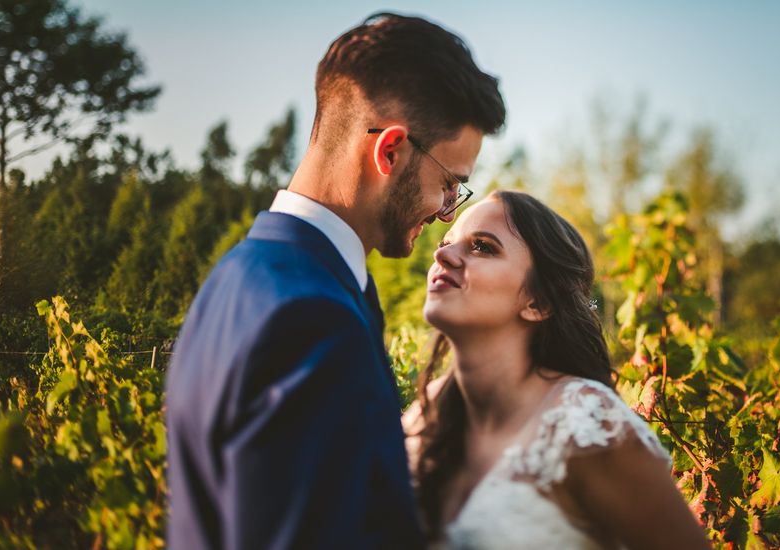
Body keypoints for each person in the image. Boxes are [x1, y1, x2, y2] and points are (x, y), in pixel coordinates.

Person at [165, 12, 505, 549]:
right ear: (390, 151)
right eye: (450, 183)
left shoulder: (236, 278)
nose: (447, 212)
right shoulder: (310, 321)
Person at [403, 191, 710, 549]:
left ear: (539, 302)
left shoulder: (587, 426)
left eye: (483, 247)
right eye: (446, 243)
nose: (442, 255)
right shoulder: (424, 414)